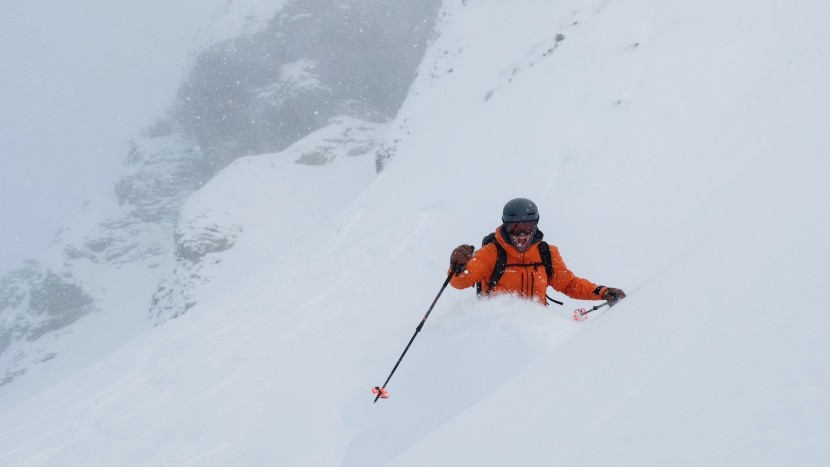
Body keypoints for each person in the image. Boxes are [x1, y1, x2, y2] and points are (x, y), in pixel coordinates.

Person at [448, 198, 625, 306]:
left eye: (528, 227)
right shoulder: (491, 253)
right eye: (515, 228)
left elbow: (569, 284)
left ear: (536, 225)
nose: (522, 234)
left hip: (535, 331)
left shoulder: (546, 253)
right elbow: (461, 281)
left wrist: (602, 292)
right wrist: (457, 267)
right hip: (496, 333)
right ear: (506, 226)